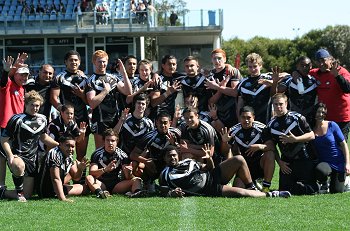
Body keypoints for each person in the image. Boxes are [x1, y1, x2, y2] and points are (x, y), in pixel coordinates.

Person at [159, 144, 291, 198]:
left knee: (238, 159)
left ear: (178, 155)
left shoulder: (187, 161)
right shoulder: (165, 174)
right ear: (164, 159)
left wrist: (209, 159)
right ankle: (273, 195)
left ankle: (252, 187)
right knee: (241, 193)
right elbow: (162, 189)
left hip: (211, 175)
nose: (172, 158)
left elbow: (207, 168)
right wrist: (172, 192)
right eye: (169, 156)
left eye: (174, 155)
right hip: (208, 189)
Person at [0, 90, 59, 202]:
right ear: (26, 104)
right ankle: (19, 192)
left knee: (29, 195)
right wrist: (10, 156)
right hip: (18, 156)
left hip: (33, 159)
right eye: (32, 105)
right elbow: (3, 139)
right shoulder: (16, 119)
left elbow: (43, 137)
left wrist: (58, 145)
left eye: (37, 105)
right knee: (18, 167)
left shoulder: (42, 119)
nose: (35, 108)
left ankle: (3, 193)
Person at [265, 93, 318, 195]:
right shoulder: (270, 125)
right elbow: (272, 147)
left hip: (304, 158)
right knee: (284, 190)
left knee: (311, 190)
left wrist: (295, 139)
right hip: (287, 162)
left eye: (281, 104)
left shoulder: (297, 118)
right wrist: (280, 162)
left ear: (286, 103)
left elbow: (312, 135)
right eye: (275, 104)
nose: (278, 107)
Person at [221, 106, 275, 192]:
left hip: (259, 163)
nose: (246, 120)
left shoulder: (262, 128)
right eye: (243, 117)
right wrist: (224, 142)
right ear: (239, 118)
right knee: (238, 188)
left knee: (270, 154)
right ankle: (251, 183)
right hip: (244, 166)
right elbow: (224, 151)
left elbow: (272, 147)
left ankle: (265, 187)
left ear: (253, 117)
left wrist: (259, 146)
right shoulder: (233, 131)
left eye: (249, 117)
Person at [85, 50, 132, 148]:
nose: (102, 64)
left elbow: (128, 92)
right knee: (101, 150)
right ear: (94, 62)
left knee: (115, 149)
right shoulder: (91, 80)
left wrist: (124, 73)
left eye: (104, 61)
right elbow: (92, 103)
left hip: (115, 119)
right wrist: (105, 91)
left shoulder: (113, 78)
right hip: (100, 120)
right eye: (99, 61)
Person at [50, 50, 89, 162]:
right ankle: (64, 177)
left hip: (82, 119)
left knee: (81, 154)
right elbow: (53, 98)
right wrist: (63, 111)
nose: (73, 62)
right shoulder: (59, 78)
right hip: (66, 121)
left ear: (80, 62)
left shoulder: (85, 78)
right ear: (65, 62)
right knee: (65, 153)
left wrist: (82, 95)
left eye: (76, 60)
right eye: (71, 60)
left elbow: (89, 102)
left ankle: (79, 180)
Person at [85, 129, 144, 198]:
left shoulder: (123, 155)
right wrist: (105, 169)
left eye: (113, 141)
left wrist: (129, 172)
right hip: (101, 184)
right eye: (108, 140)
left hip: (117, 185)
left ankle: (136, 193)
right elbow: (92, 173)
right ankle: (100, 193)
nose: (110, 143)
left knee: (137, 180)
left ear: (117, 142)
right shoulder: (97, 154)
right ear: (104, 141)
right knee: (89, 177)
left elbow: (128, 177)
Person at [0, 54, 29, 191]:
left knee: (13, 158)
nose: (24, 78)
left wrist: (17, 65)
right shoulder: (9, 85)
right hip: (4, 127)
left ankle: (16, 187)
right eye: (21, 75)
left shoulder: (23, 88)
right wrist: (6, 71)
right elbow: (3, 81)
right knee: (3, 158)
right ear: (14, 75)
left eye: (26, 75)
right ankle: (3, 187)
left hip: (18, 129)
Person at [130, 111, 181, 187]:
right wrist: (146, 161)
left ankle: (179, 180)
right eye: (160, 122)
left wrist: (174, 143)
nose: (163, 125)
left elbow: (182, 151)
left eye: (165, 123)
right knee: (135, 164)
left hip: (170, 162)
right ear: (156, 123)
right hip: (154, 164)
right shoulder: (149, 136)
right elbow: (133, 154)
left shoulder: (176, 133)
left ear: (170, 123)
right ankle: (148, 182)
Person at [309, 48, 350, 141]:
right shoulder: (314, 73)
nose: (321, 64)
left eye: (323, 60)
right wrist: (294, 73)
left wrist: (337, 76)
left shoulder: (341, 71)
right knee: (327, 145)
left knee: (340, 146)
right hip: (324, 118)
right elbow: (300, 73)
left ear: (330, 59)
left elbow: (347, 89)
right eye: (318, 61)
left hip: (341, 118)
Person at [310, 103, 350, 193]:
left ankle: (346, 181)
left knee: (336, 191)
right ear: (314, 112)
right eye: (318, 112)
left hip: (338, 162)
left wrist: (347, 164)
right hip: (324, 163)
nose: (321, 114)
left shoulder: (332, 125)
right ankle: (324, 183)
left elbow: (344, 145)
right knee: (320, 171)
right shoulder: (311, 128)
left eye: (323, 112)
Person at [37, 135, 89, 202]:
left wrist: (80, 169)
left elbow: (76, 177)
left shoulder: (69, 155)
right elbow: (55, 178)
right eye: (67, 145)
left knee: (85, 188)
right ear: (60, 144)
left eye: (72, 146)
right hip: (46, 191)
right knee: (83, 188)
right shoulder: (54, 153)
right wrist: (63, 198)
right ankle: (60, 193)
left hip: (57, 187)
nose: (70, 149)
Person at [204, 48, 242, 129]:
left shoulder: (232, 71)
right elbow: (210, 102)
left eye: (219, 58)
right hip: (218, 113)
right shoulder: (210, 76)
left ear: (225, 59)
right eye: (214, 58)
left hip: (234, 111)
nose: (217, 61)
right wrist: (221, 88)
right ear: (211, 60)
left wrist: (217, 87)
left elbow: (235, 93)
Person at [236, 53, 277, 124]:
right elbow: (240, 105)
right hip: (249, 121)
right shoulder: (243, 83)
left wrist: (272, 83)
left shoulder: (268, 78)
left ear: (260, 66)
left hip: (267, 119)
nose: (253, 69)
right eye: (250, 67)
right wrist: (240, 121)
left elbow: (275, 95)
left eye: (255, 66)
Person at [275, 56, 317, 123]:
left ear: (311, 66)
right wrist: (275, 82)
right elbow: (276, 94)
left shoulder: (314, 81)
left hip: (310, 118)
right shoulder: (289, 79)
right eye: (301, 65)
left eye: (307, 65)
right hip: (292, 118)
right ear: (297, 66)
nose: (304, 68)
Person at [151, 55, 184, 119]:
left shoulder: (178, 77)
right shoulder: (158, 79)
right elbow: (153, 103)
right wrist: (168, 92)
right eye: (169, 64)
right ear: (163, 66)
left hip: (172, 115)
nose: (172, 66)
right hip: (158, 116)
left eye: (174, 64)